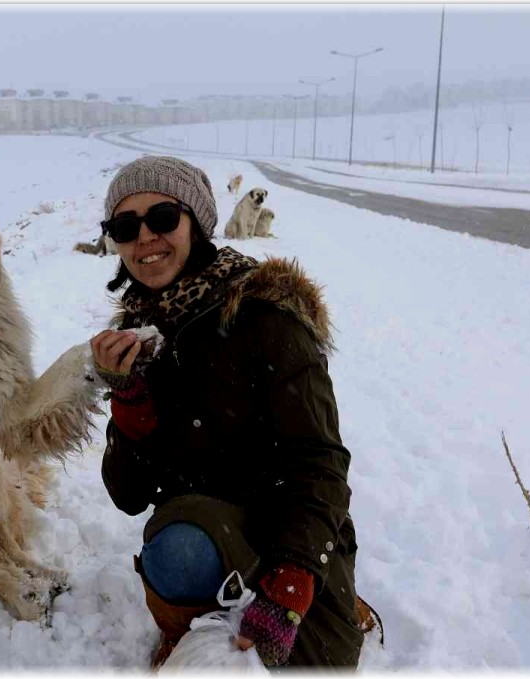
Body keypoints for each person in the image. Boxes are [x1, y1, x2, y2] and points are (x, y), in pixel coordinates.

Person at [88, 155, 365, 670]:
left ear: (197, 221)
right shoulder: (139, 335)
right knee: (176, 552)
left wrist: (293, 581)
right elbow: (128, 495)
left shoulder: (264, 314)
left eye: (164, 218)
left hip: (287, 531)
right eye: (127, 226)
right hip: (200, 533)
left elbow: (319, 463)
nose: (145, 237)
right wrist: (128, 396)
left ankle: (330, 599)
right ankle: (193, 625)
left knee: (320, 664)